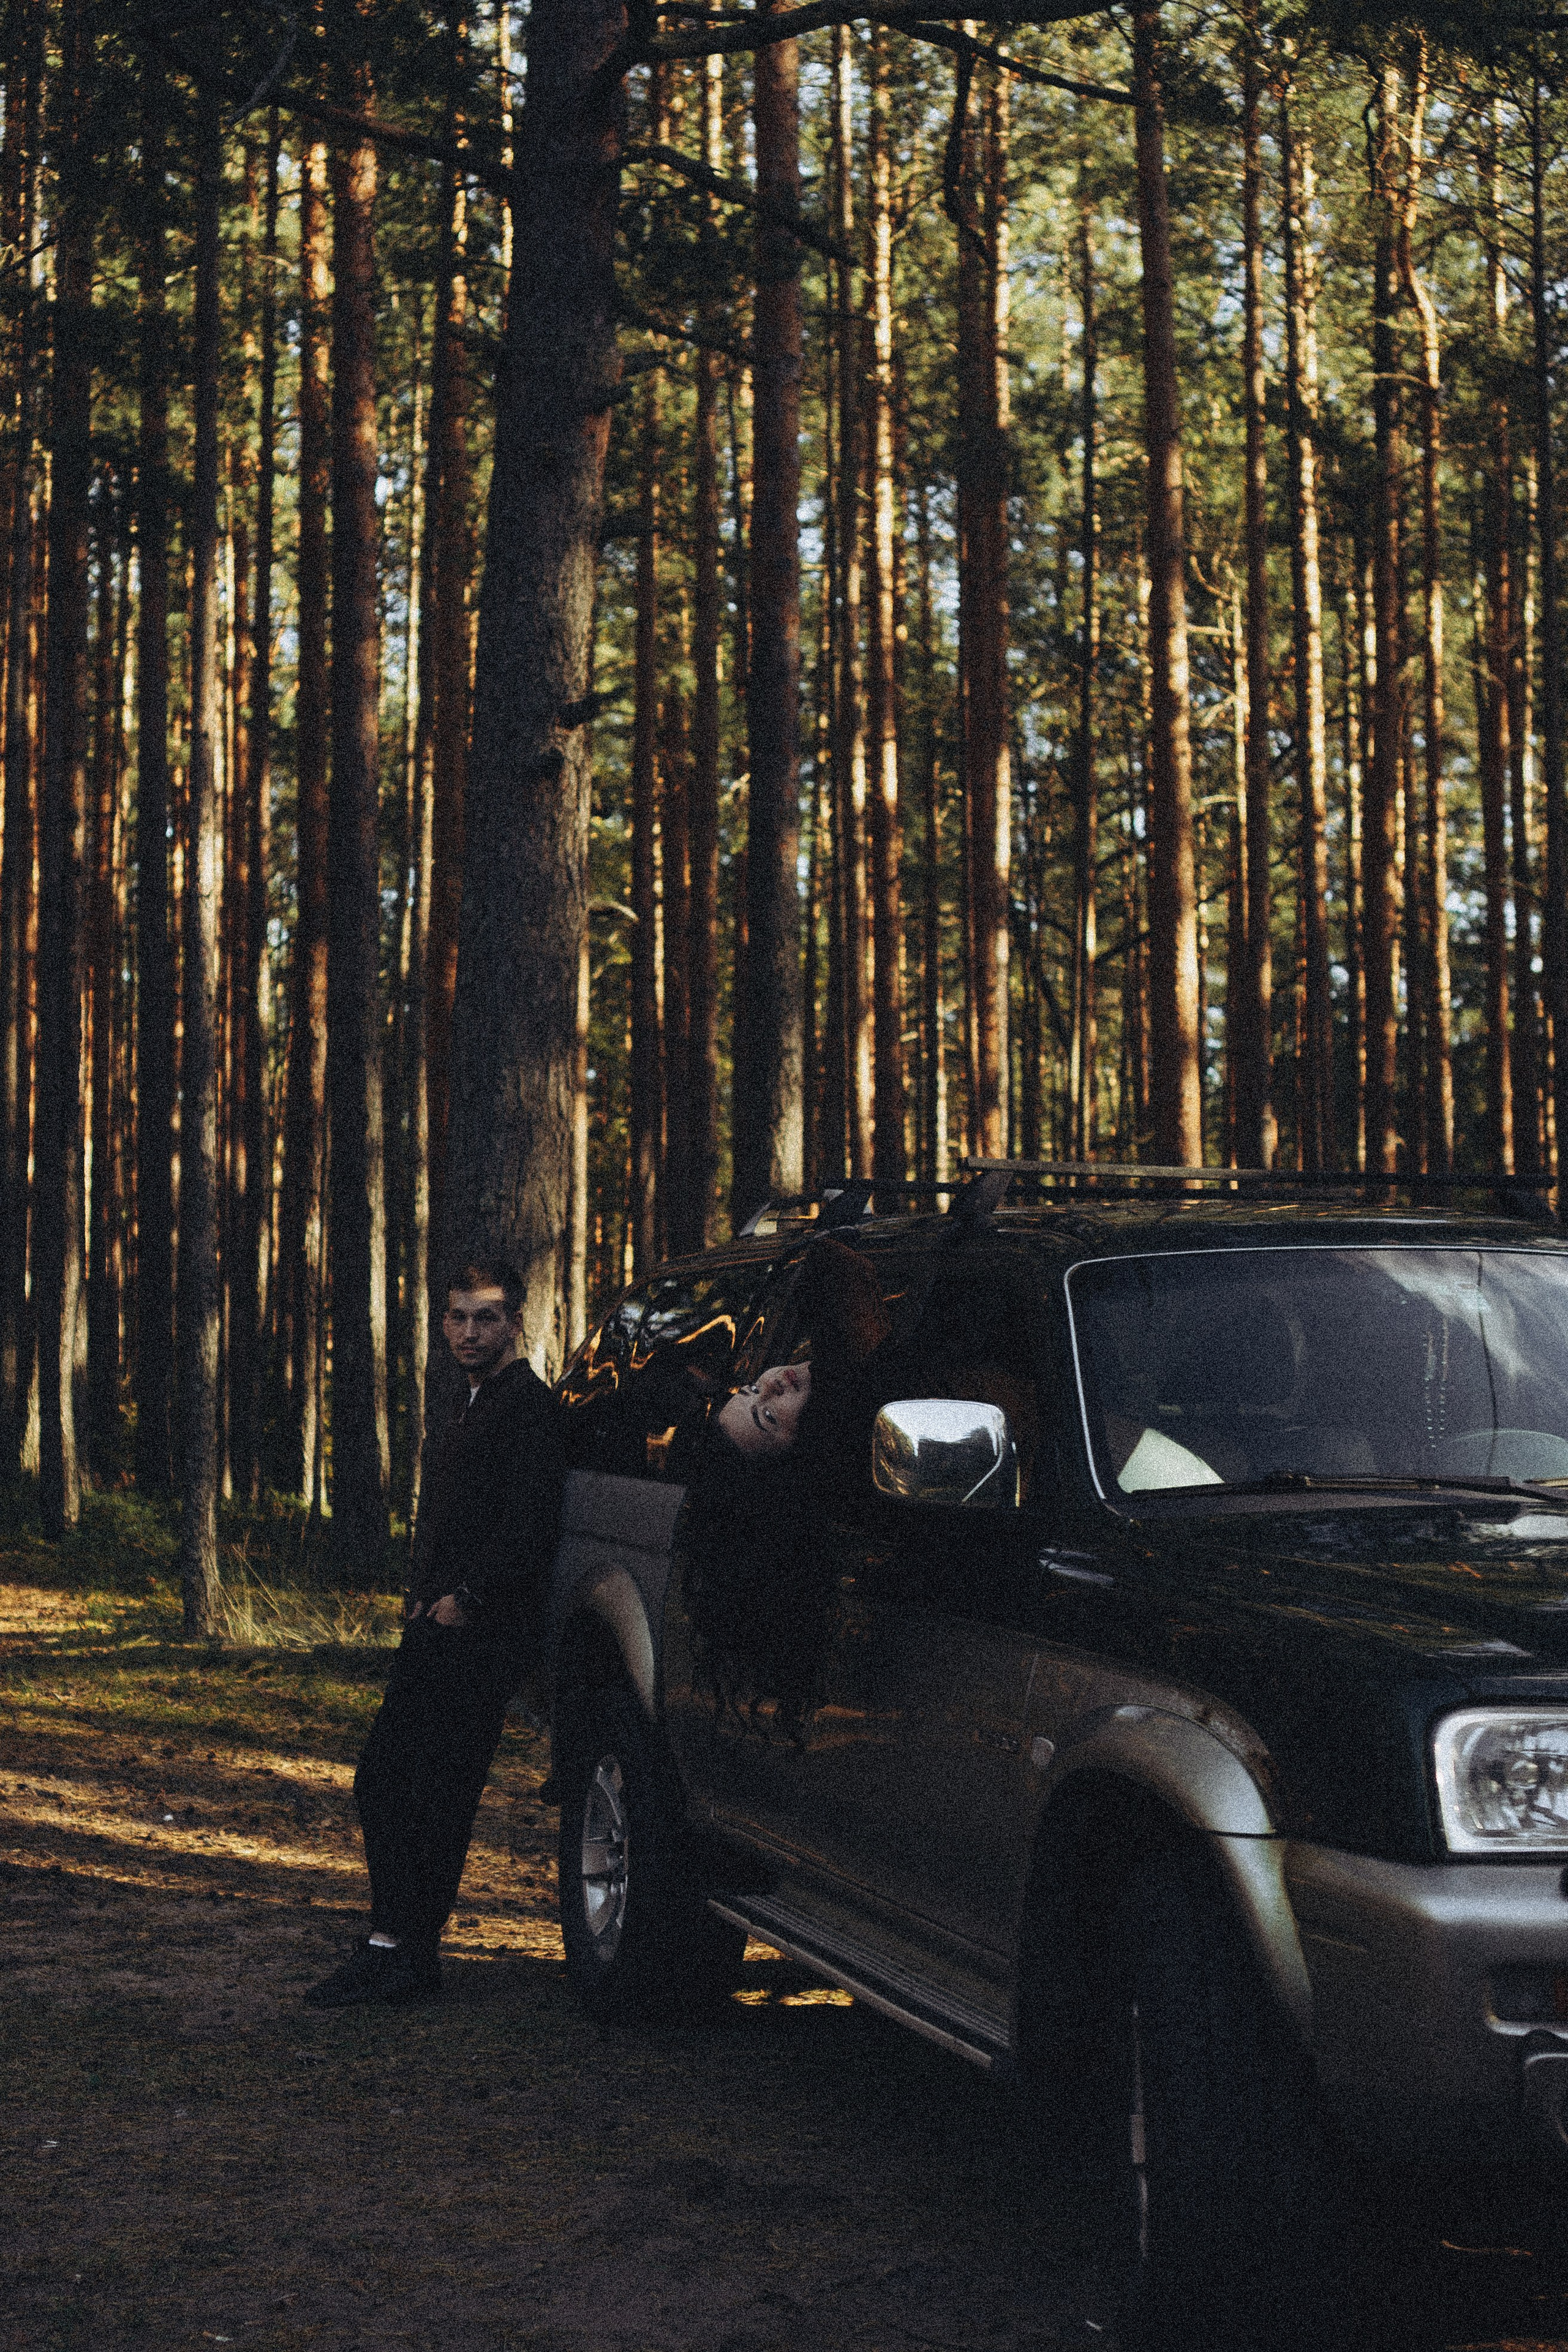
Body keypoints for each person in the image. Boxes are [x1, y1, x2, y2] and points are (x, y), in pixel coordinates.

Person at [305, 1255, 566, 2008]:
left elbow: (529, 1528)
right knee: (391, 1782)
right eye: (457, 1316)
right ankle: (400, 1948)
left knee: (430, 1791)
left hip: (480, 1634)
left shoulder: (530, 1409)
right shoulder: (471, 1403)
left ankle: (404, 1952)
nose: (469, 1331)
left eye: (486, 1316)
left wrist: (467, 1598)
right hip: (435, 1626)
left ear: (516, 1321)